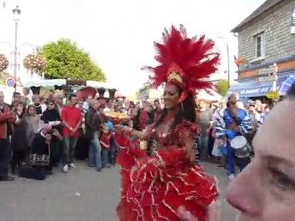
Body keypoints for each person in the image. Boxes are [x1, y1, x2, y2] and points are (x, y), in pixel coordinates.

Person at [115, 26, 219, 221]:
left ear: (181, 97)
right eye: (165, 94)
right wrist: (126, 130)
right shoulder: (161, 118)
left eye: (171, 94)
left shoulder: (184, 125)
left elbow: (191, 156)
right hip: (156, 175)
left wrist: (169, 159)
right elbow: (145, 135)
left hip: (178, 180)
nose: (166, 97)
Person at [225, 82, 295, 220]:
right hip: (229, 138)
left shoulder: (242, 112)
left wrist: (241, 129)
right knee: (231, 157)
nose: (232, 193)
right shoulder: (225, 113)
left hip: (239, 136)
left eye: (282, 179)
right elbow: (220, 125)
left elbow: (245, 124)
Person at [61, 94, 82, 173]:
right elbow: (63, 120)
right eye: (73, 99)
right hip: (67, 131)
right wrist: (70, 128)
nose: (74, 101)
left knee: (72, 148)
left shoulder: (78, 110)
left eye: (75, 99)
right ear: (69, 100)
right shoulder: (65, 109)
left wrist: (75, 128)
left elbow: (80, 120)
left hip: (75, 131)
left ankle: (70, 161)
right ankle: (65, 163)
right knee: (66, 148)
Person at [85, 99, 102, 172]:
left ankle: (91, 162)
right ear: (94, 104)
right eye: (97, 103)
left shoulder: (94, 112)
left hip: (93, 132)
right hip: (93, 132)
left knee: (92, 147)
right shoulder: (90, 112)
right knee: (98, 148)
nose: (99, 105)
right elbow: (87, 122)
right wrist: (95, 128)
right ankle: (99, 165)